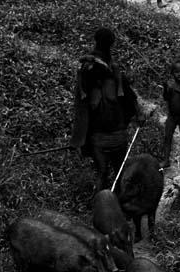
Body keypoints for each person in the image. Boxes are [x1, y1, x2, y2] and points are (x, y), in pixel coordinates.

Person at [70, 27, 145, 190]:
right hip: (104, 134)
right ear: (111, 44)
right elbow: (130, 97)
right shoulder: (92, 70)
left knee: (105, 173)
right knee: (113, 173)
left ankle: (110, 205)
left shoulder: (107, 71)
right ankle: (110, 206)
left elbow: (128, 96)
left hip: (110, 133)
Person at [162, 59, 180, 171]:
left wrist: (176, 89)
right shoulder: (171, 84)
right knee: (167, 137)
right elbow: (166, 98)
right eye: (177, 72)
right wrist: (165, 88)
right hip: (172, 116)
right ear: (172, 73)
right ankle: (166, 160)